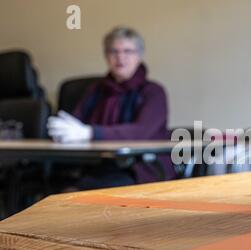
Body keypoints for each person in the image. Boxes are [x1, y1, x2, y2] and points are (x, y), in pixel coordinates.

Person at [47, 26, 176, 189]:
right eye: (113, 51)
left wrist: (90, 133)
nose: (120, 57)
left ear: (139, 55)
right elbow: (75, 122)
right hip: (97, 165)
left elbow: (141, 132)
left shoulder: (153, 92)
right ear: (106, 56)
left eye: (128, 51)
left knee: (79, 194)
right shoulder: (96, 90)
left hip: (140, 169)